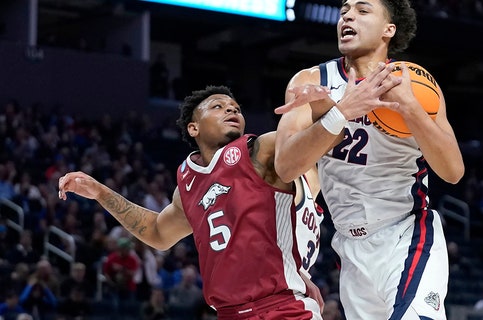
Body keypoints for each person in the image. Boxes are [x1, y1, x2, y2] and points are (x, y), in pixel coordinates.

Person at [58, 85, 323, 319]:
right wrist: (101, 193)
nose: (232, 110)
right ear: (193, 127)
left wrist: (326, 106)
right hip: (231, 313)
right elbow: (158, 233)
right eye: (218, 106)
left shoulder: (259, 150)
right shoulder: (188, 183)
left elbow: (309, 136)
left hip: (282, 306)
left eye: (236, 108)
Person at [274, 0, 464, 318]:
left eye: (362, 10)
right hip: (349, 247)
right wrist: (340, 112)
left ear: (388, 30)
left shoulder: (413, 83)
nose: (348, 15)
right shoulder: (310, 82)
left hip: (405, 235)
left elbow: (453, 171)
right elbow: (286, 167)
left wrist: (410, 109)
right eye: (345, 10)